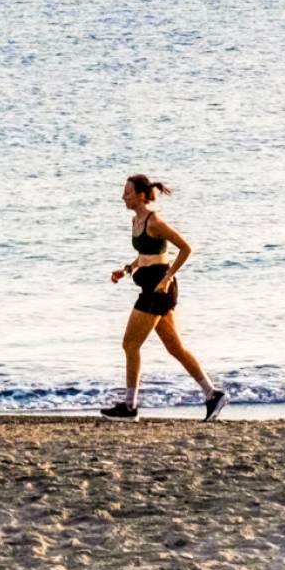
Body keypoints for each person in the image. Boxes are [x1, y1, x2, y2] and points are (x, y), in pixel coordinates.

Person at [101, 175, 228, 420]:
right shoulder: (136, 221)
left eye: (127, 192)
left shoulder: (155, 222)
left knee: (130, 344)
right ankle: (213, 394)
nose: (123, 196)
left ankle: (130, 407)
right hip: (151, 287)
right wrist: (127, 269)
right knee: (175, 348)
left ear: (140, 195)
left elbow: (186, 248)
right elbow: (145, 255)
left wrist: (168, 277)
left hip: (158, 290)